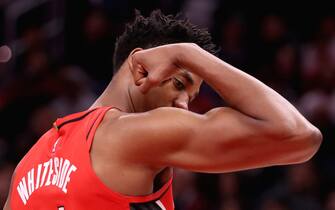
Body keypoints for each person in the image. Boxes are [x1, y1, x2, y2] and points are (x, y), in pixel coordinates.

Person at [3, 10, 322, 210]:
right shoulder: (132, 135)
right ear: (141, 69)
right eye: (180, 84)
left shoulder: (31, 161)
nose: (184, 104)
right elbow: (297, 136)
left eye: (192, 96)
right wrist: (190, 54)